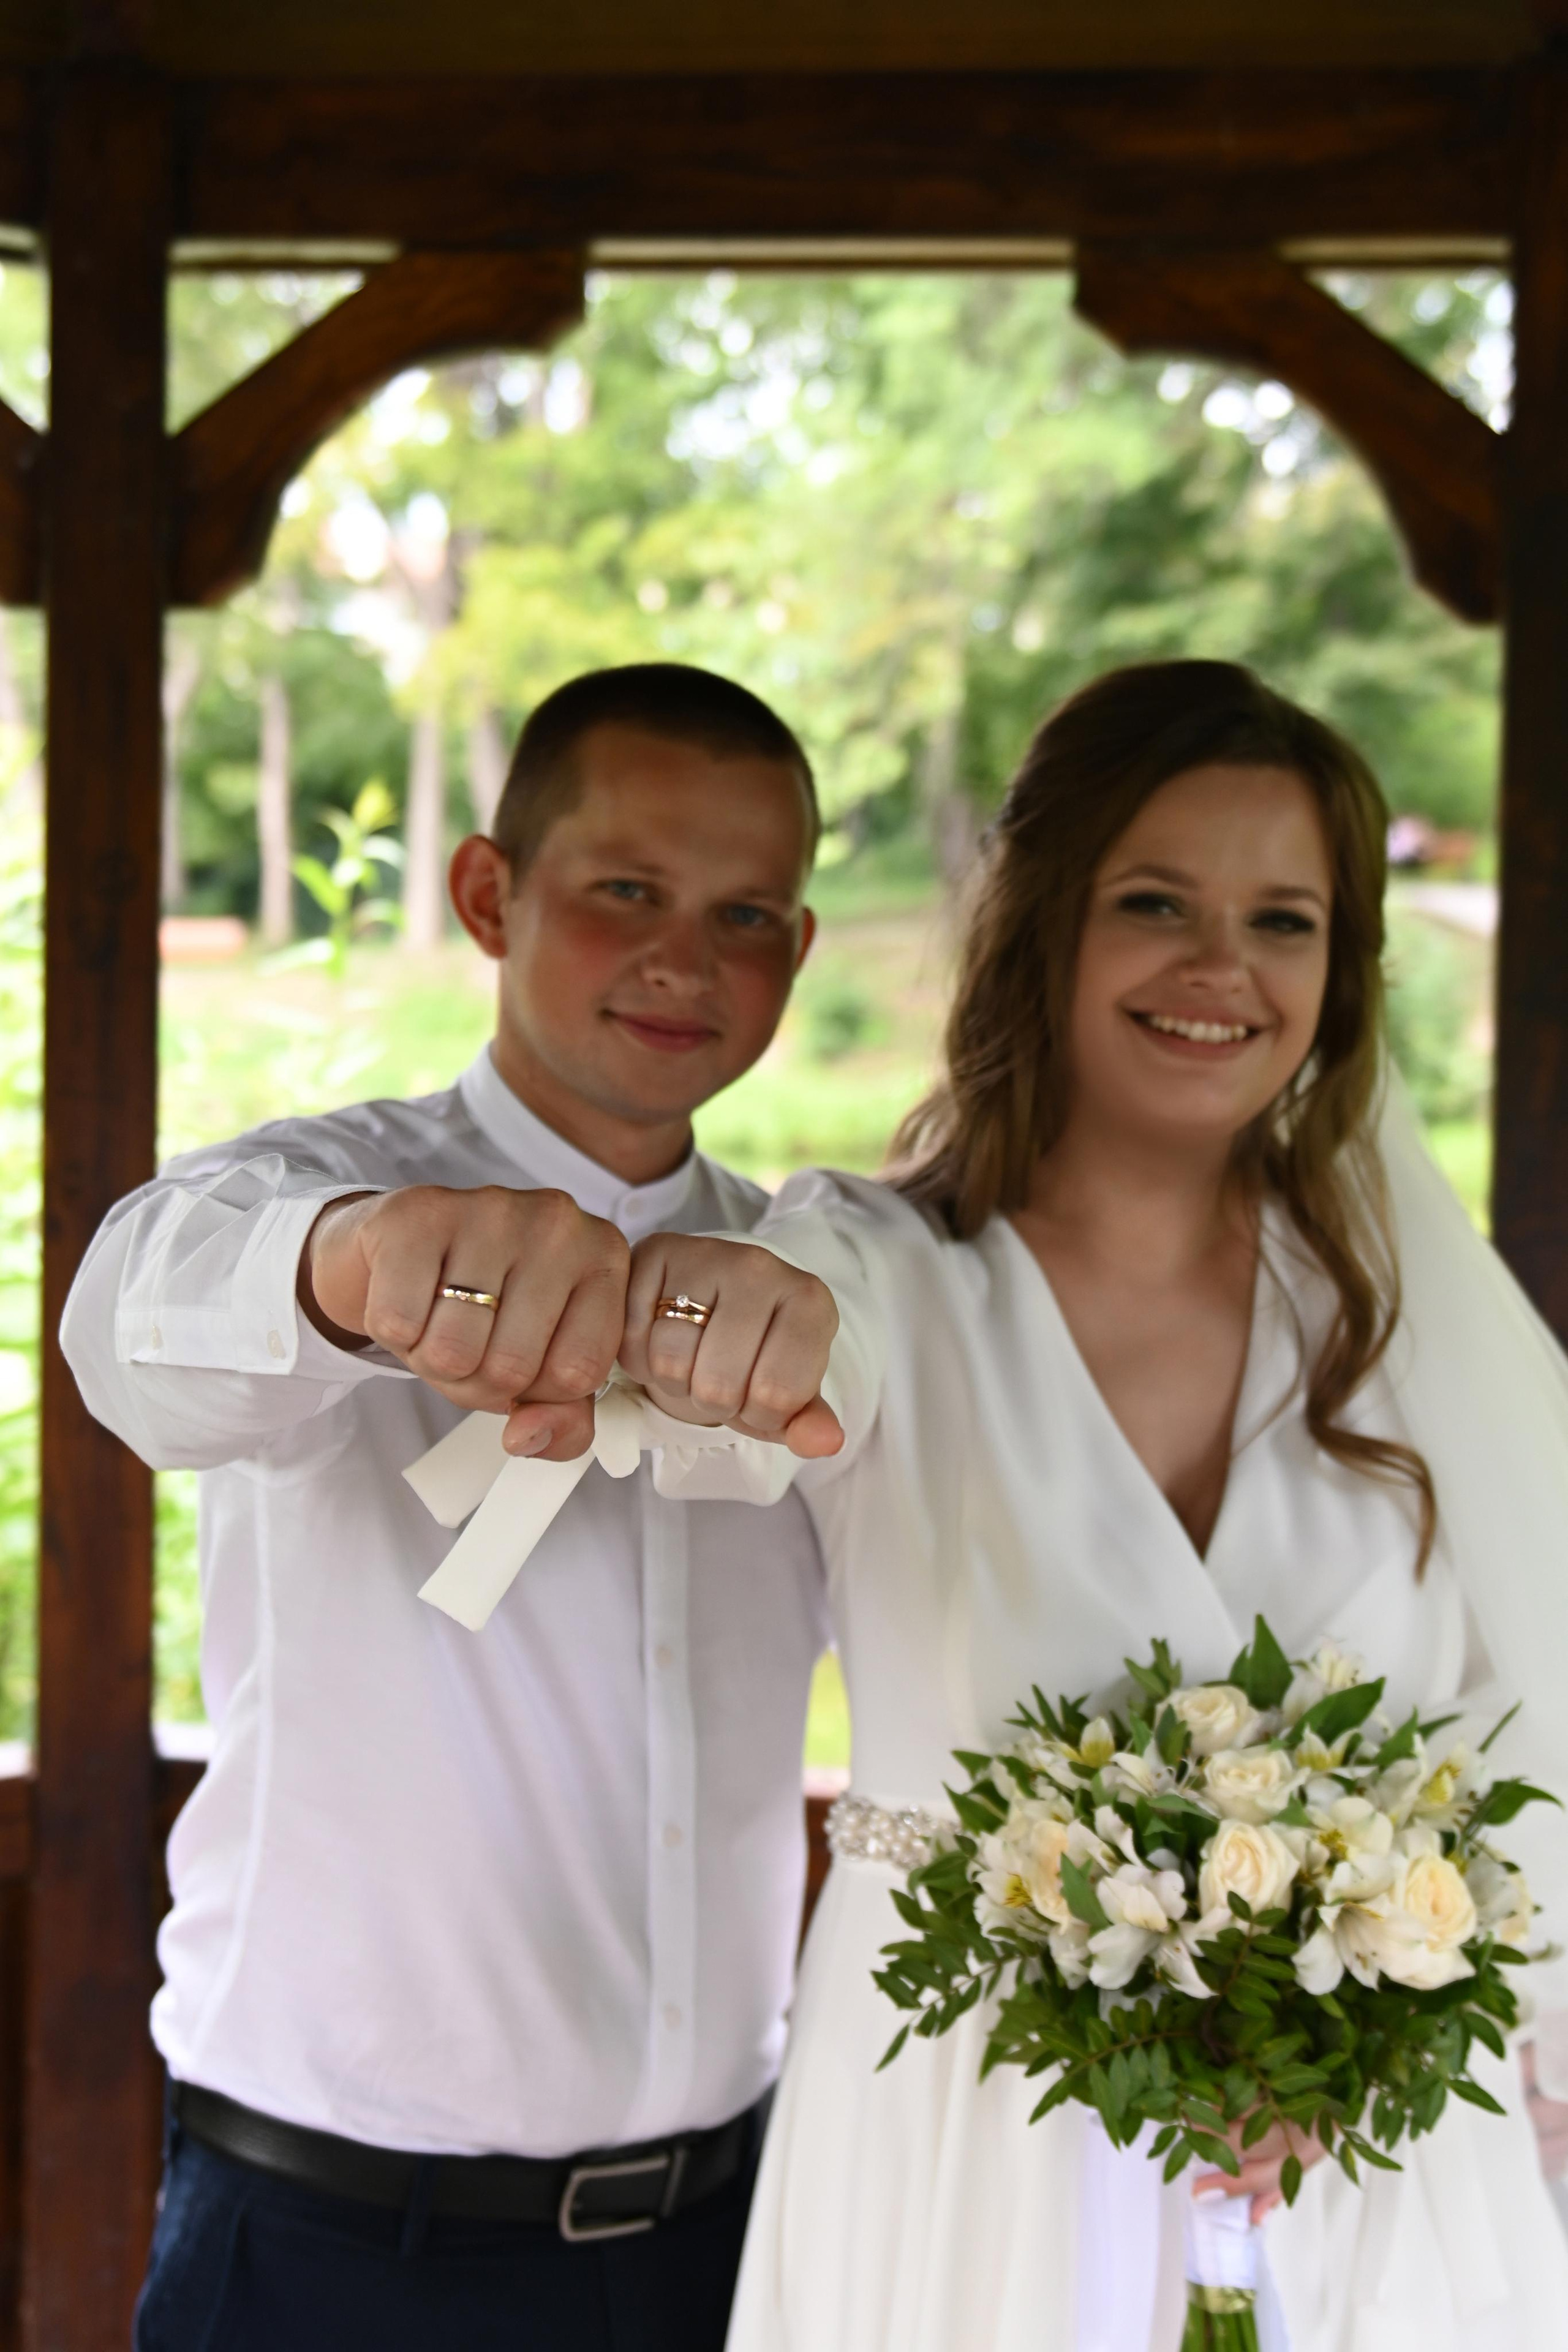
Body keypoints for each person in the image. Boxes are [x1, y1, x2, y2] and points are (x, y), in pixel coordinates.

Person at [612, 660, 1568, 2350]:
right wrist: (700, 1314)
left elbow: (1539, 1728)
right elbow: (714, 1402)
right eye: (1156, 904)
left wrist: (1400, 2039)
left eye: (1286, 920)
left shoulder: (1406, 1313)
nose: (1222, 970)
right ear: (1043, 923)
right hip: (968, 2152)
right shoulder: (873, 1271)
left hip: (1364, 2160)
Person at [61, 664, 832, 2352]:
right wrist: (353, 1273)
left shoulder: (820, 1289)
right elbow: (128, 1331)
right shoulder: (309, 1195)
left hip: (730, 2239)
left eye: (747, 913)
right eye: (625, 889)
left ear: (802, 950)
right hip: (333, 2246)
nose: (683, 959)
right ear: (492, 894)